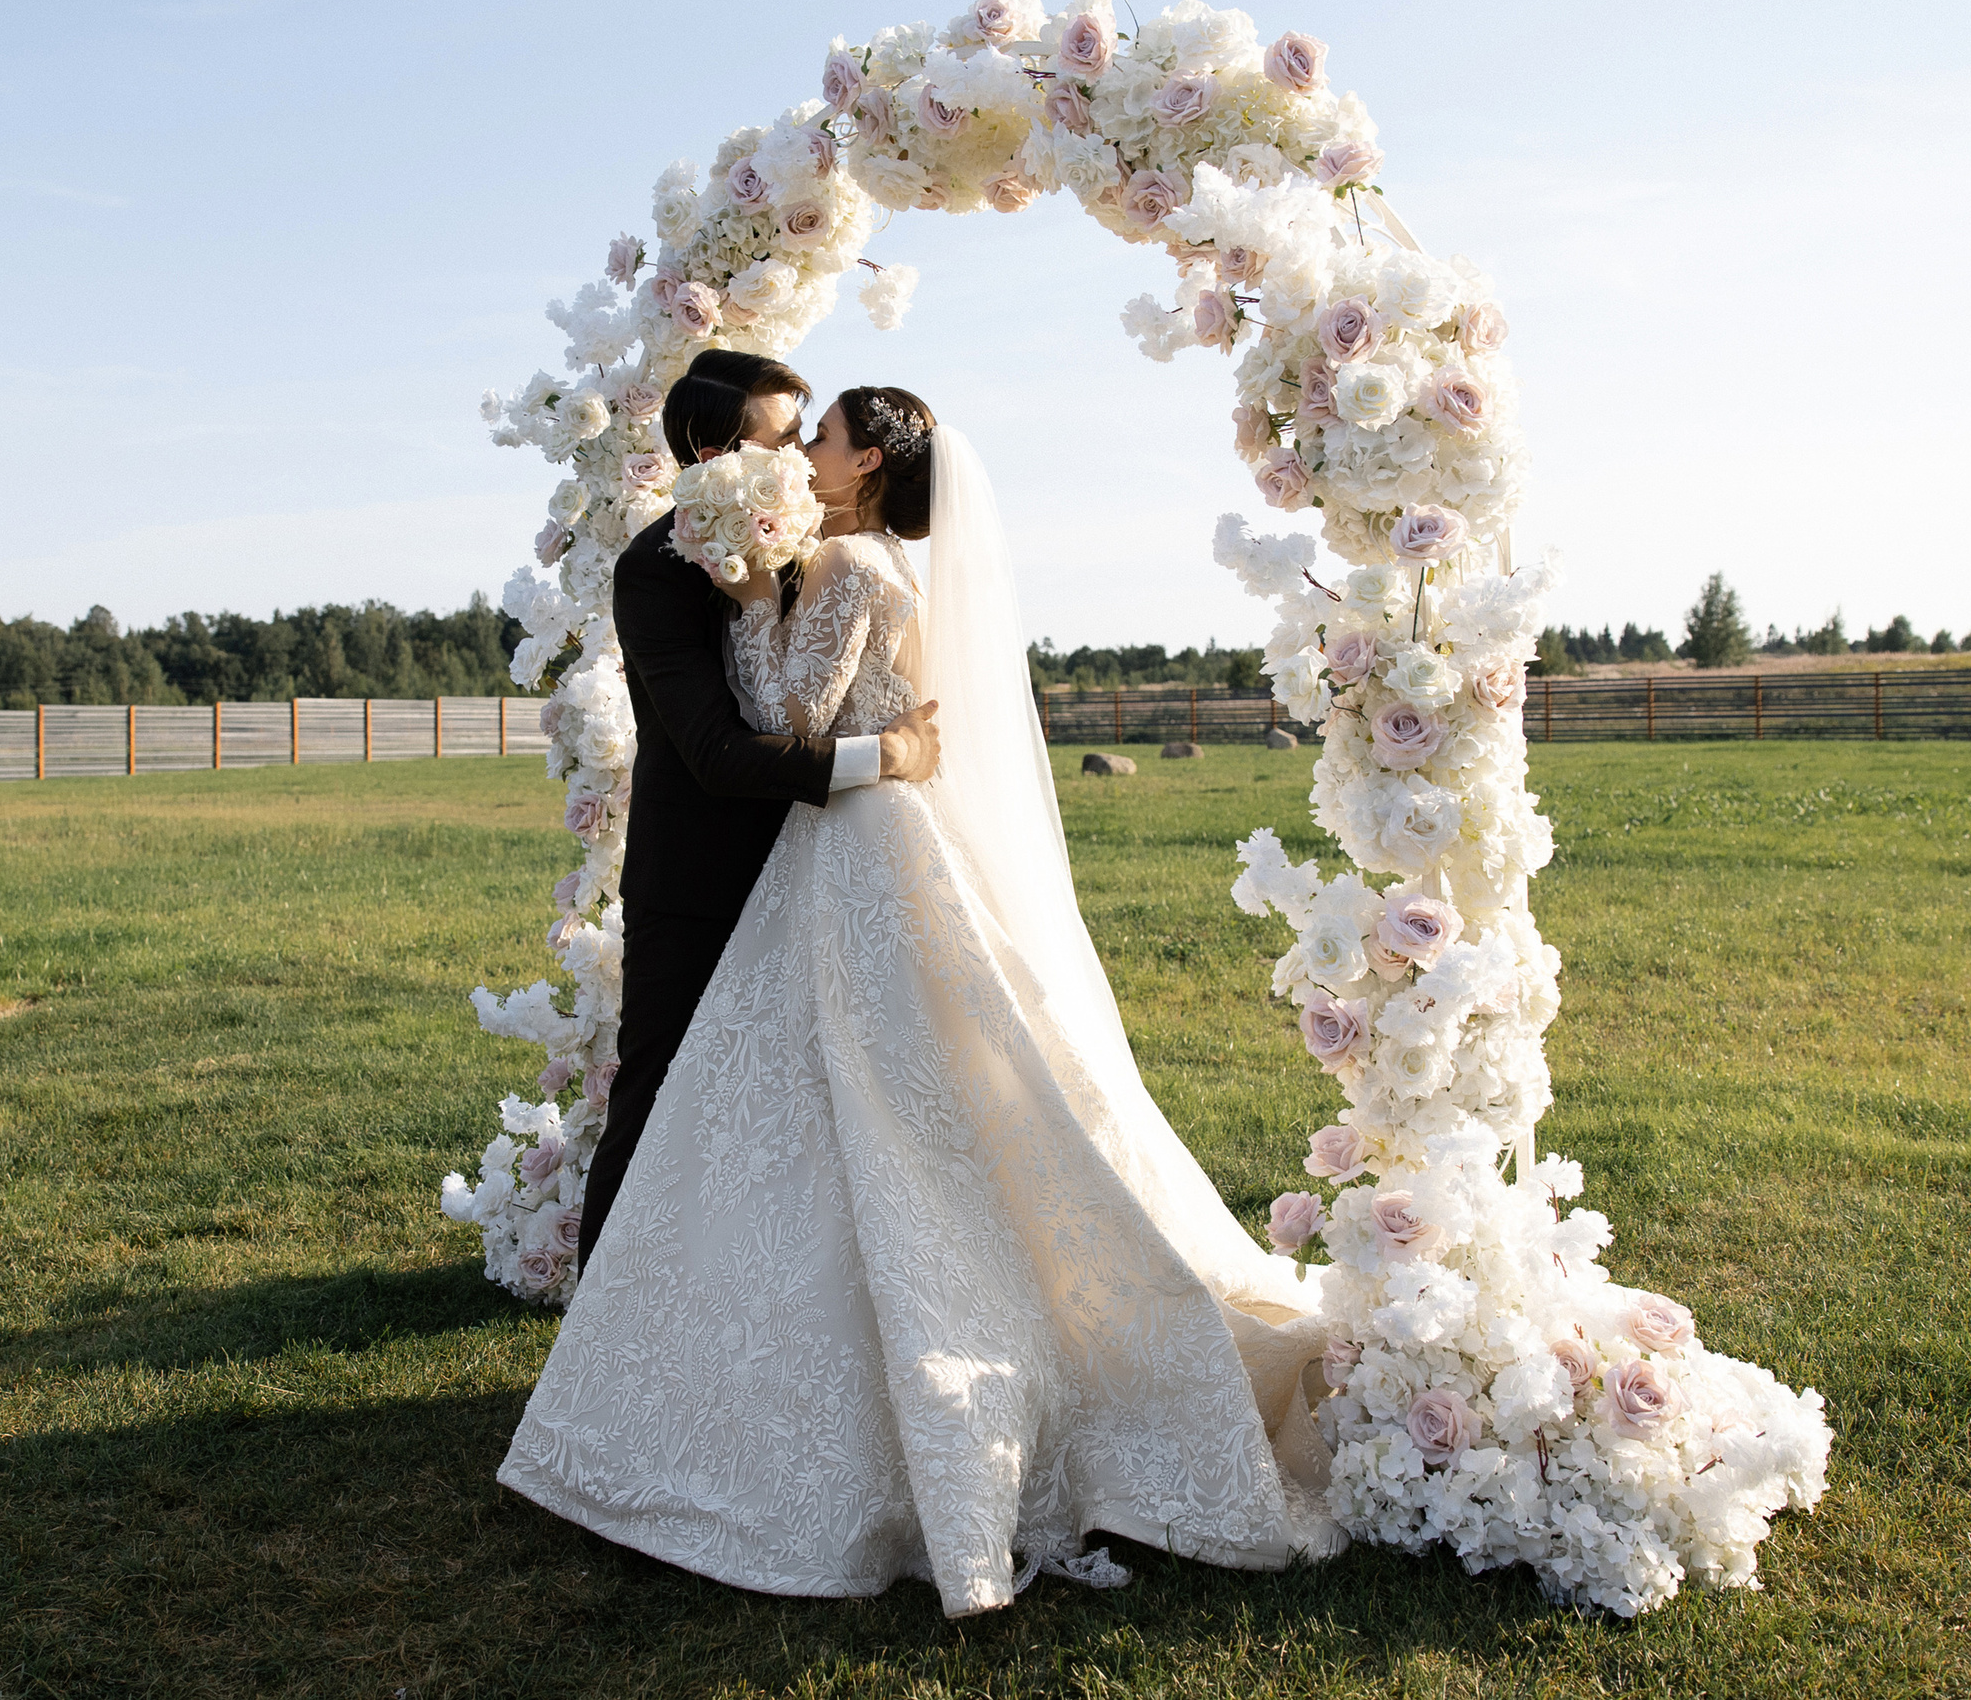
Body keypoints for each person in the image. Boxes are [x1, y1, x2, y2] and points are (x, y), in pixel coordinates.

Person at [500, 387, 1347, 1617]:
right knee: (890, 1087)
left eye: (827, 437)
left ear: (873, 466)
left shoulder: (847, 560)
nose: (805, 454)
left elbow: (786, 715)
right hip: (861, 837)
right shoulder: (869, 557)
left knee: (857, 1094)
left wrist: (747, 608)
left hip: (861, 845)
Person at [577, 349, 941, 1272]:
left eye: (805, 437)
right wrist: (886, 757)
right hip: (699, 875)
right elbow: (718, 754)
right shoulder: (656, 569)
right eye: (783, 438)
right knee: (658, 1091)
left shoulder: (818, 546)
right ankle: (602, 1309)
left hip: (813, 872)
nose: (797, 458)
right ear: (715, 446)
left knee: (790, 1109)